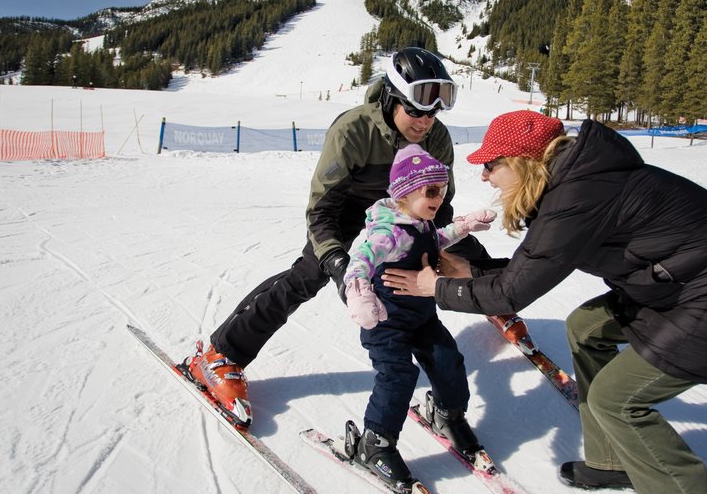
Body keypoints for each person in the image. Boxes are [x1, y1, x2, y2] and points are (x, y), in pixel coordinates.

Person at [381, 110, 707, 493]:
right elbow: (536, 265)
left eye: (492, 165)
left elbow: (514, 291)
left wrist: (435, 288)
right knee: (586, 327)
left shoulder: (578, 195)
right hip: (692, 288)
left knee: (617, 400)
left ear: (522, 161)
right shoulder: (577, 183)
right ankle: (612, 461)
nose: (486, 176)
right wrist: (469, 273)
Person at [183, 47, 489, 428]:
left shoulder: (436, 137)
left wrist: (437, 253)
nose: (426, 121)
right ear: (393, 98)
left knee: (453, 240)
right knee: (307, 276)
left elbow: (441, 205)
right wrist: (338, 263)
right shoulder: (353, 130)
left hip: (404, 210)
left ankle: (495, 292)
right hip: (345, 212)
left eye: (433, 111)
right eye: (415, 110)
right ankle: (221, 354)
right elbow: (322, 210)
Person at [341, 144, 496, 487]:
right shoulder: (389, 232)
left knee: (448, 360)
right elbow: (361, 259)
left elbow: (435, 240)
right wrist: (358, 291)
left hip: (421, 316)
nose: (439, 197)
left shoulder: (421, 223)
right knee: (398, 375)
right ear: (404, 193)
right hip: (386, 321)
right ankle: (375, 442)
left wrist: (464, 227)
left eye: (442, 189)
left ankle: (447, 413)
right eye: (431, 190)